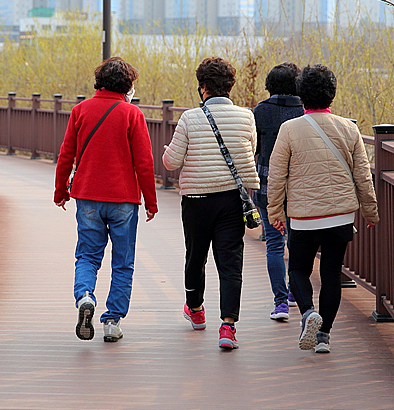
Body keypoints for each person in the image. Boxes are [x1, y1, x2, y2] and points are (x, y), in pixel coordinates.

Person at [267, 64, 379, 354]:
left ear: (302, 95)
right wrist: (370, 211)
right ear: (332, 94)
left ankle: (307, 313)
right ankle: (324, 336)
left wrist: (275, 211)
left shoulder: (289, 129)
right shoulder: (349, 128)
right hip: (340, 215)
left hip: (303, 217)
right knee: (331, 273)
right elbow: (362, 175)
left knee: (299, 270)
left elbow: (277, 175)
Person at [53, 57, 158, 343]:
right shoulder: (131, 114)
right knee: (123, 261)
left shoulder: (80, 111)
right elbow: (144, 163)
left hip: (87, 196)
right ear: (128, 85)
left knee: (87, 254)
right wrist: (151, 201)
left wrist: (60, 191)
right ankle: (112, 321)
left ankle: (85, 296)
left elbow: (66, 155)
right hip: (124, 199)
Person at [162, 57, 258, 350]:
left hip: (197, 200)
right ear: (230, 86)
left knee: (196, 256)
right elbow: (250, 151)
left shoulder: (190, 118)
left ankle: (196, 310)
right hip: (232, 199)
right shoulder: (246, 116)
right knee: (230, 262)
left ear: (203, 87)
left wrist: (169, 150)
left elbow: (171, 162)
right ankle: (228, 326)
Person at [252, 62, 304, 321]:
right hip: (299, 187)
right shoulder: (305, 111)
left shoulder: (260, 111)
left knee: (274, 244)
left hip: (266, 185)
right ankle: (296, 292)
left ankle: (280, 303)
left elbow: (254, 148)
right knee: (298, 243)